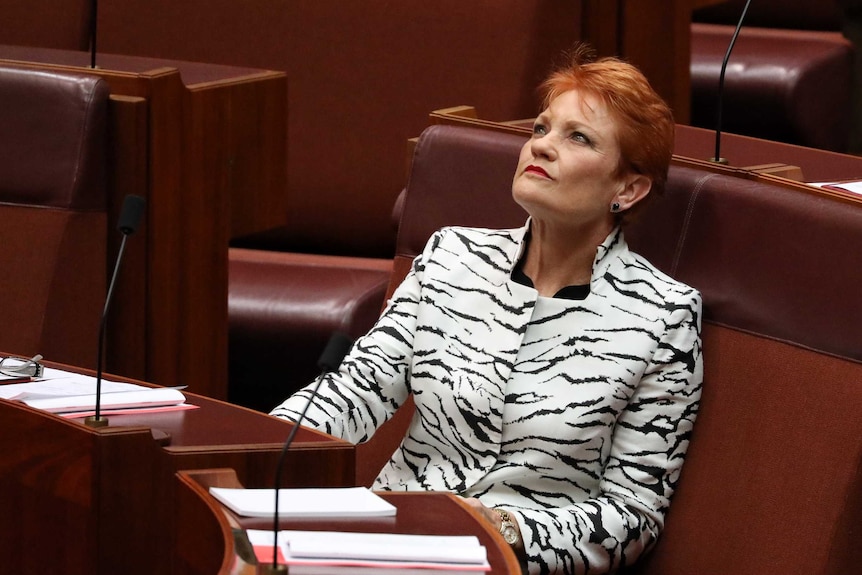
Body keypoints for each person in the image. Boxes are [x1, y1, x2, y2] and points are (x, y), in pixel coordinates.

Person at [271, 45, 703, 575]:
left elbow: (634, 514)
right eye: (541, 129)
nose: (542, 147)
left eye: (578, 137)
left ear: (628, 188)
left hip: (512, 561)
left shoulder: (662, 317)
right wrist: (262, 446)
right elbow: (359, 387)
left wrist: (507, 527)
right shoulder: (452, 257)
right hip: (387, 539)